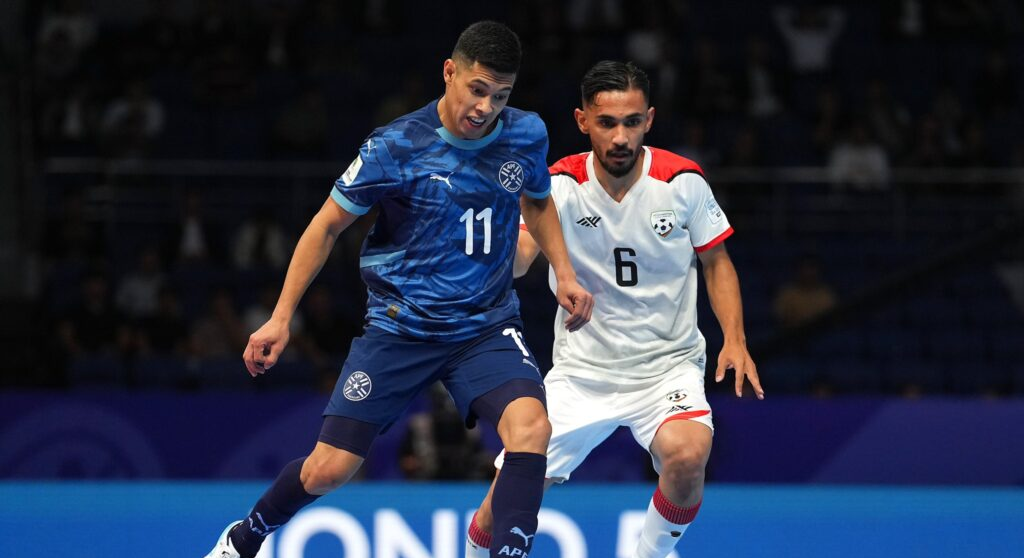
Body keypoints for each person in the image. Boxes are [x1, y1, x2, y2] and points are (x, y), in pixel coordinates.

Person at [203, 21, 593, 558]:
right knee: (329, 469)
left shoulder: (526, 133)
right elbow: (326, 226)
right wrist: (280, 317)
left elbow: (538, 202)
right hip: (399, 328)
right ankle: (244, 538)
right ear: (449, 72)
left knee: (532, 429)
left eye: (500, 96)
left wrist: (564, 272)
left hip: (483, 327)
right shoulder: (395, 146)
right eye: (477, 90)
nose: (485, 107)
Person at [463, 61, 763, 558]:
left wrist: (735, 338)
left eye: (632, 122)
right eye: (607, 123)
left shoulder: (682, 181)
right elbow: (516, 263)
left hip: (666, 368)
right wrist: (485, 227)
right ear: (583, 121)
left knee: (688, 456)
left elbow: (716, 262)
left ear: (649, 119)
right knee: (503, 507)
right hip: (582, 372)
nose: (621, 136)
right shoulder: (555, 185)